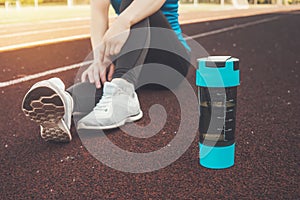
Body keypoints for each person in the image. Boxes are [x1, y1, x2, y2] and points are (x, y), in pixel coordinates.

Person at [22, 0, 191, 142]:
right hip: (134, 54)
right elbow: (98, 13)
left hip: (171, 62)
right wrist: (100, 59)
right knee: (105, 75)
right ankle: (68, 102)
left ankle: (122, 90)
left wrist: (122, 22)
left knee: (131, 3)